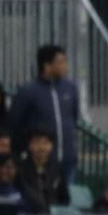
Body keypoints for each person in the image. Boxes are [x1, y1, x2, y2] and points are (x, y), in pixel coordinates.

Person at [8, 45, 79, 183]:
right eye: (60, 62)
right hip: (40, 161)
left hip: (68, 159)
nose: (65, 66)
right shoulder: (28, 92)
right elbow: (15, 124)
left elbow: (74, 118)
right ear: (47, 65)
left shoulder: (70, 88)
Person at [16, 128, 69, 215]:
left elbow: (65, 199)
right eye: (37, 142)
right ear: (30, 145)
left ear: (51, 146)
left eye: (45, 143)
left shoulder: (57, 169)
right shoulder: (21, 169)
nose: (41, 147)